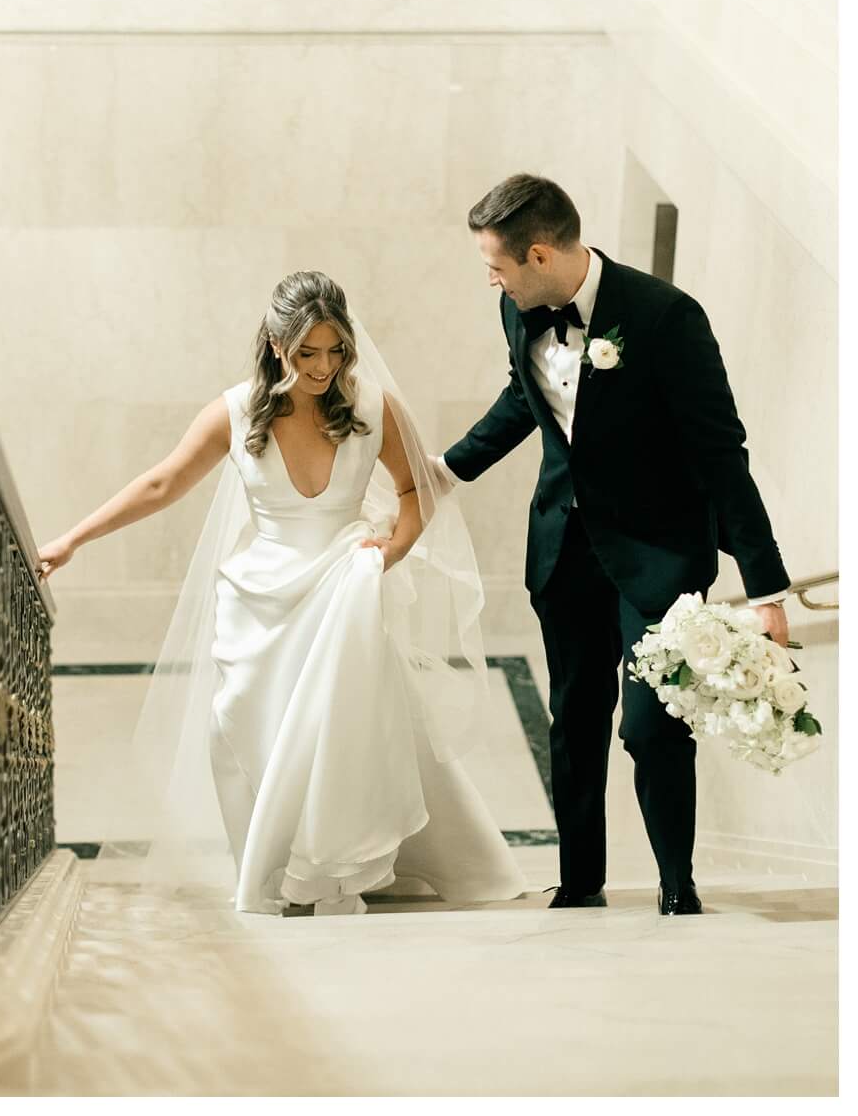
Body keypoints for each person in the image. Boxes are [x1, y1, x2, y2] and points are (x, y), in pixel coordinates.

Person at [39, 271, 524, 915]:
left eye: (335, 351)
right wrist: (72, 540)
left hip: (343, 589)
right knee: (242, 722)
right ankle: (273, 869)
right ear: (275, 344)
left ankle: (344, 861)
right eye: (307, 353)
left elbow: (417, 491)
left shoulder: (373, 407)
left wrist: (393, 551)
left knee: (348, 729)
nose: (324, 368)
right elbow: (161, 484)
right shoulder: (236, 411)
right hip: (260, 597)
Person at [436, 174, 790, 916]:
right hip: (564, 548)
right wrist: (447, 469)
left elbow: (723, 454)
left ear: (538, 254)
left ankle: (676, 884)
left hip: (658, 554)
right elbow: (523, 395)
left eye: (495, 266)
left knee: (652, 720)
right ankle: (580, 880)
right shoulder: (519, 308)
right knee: (575, 716)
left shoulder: (666, 318)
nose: (490, 282)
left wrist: (766, 586)